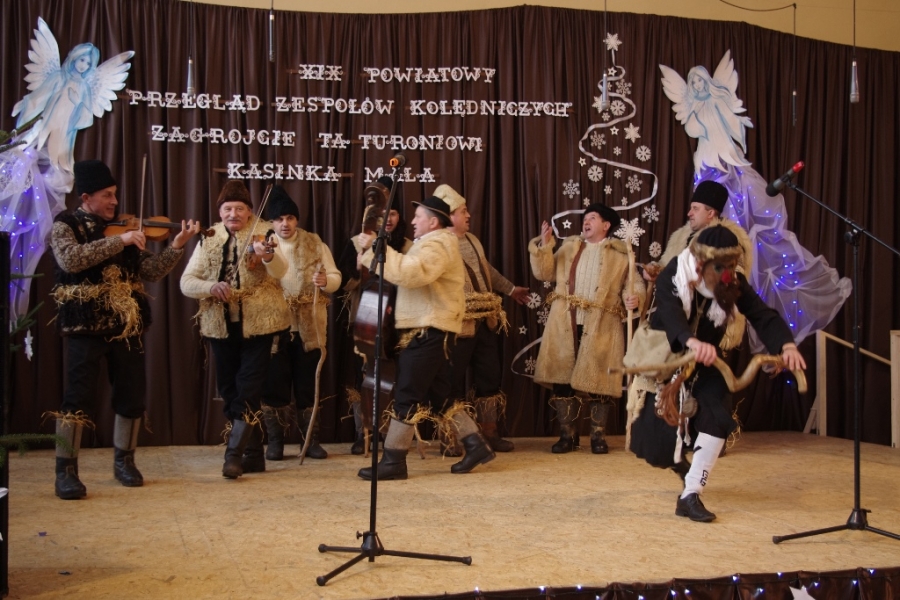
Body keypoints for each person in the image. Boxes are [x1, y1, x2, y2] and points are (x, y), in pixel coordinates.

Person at [629, 225, 805, 522]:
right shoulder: (676, 272)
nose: (726, 275)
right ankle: (680, 464)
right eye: (719, 267)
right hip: (666, 359)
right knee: (653, 446)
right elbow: (670, 312)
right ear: (700, 263)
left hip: (708, 362)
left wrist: (786, 345)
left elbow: (762, 315)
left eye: (730, 266)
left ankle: (690, 495)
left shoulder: (732, 283)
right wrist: (690, 341)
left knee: (718, 417)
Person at [49, 159, 200, 499]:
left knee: (132, 395)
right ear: (86, 197)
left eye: (115, 194)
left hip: (127, 325)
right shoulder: (66, 224)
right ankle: (66, 470)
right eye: (107, 195)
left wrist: (177, 245)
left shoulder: (124, 230)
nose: (114, 202)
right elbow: (71, 259)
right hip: (85, 324)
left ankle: (125, 461)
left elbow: (151, 271)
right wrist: (121, 241)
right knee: (77, 398)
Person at [354, 196, 494, 479]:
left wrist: (374, 251)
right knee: (440, 396)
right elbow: (407, 272)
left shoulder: (438, 244)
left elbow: (412, 273)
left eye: (418, 216)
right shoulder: (429, 244)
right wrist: (373, 253)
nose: (414, 221)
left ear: (433, 221)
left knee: (407, 394)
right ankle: (475, 444)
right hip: (429, 330)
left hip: (429, 330)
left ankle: (394, 460)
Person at [180, 180, 290, 479]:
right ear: (220, 212)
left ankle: (233, 456)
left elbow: (281, 270)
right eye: (228, 209)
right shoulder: (210, 237)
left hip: (259, 325)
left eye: (240, 209)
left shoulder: (265, 233)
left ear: (249, 211)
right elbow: (187, 281)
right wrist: (210, 287)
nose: (233, 214)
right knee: (230, 391)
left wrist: (266, 255)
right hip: (221, 326)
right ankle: (254, 455)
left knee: (248, 387)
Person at [528, 203, 644, 454]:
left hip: (602, 323)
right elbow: (545, 273)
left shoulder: (621, 255)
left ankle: (597, 436)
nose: (586, 221)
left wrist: (634, 298)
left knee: (599, 381)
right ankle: (567, 435)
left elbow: (633, 285)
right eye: (585, 218)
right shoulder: (569, 247)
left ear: (606, 225)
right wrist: (545, 246)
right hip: (565, 321)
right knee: (562, 378)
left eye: (593, 218)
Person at [433, 184, 529, 454]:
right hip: (456, 325)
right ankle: (451, 437)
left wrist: (510, 289)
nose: (468, 215)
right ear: (449, 215)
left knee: (489, 378)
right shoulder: (437, 245)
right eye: (463, 211)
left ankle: (489, 433)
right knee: (451, 382)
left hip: (485, 321)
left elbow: (485, 270)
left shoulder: (473, 240)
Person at [257, 185, 341, 463]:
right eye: (279, 219)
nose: (285, 224)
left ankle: (310, 441)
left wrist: (326, 281)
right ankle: (276, 443)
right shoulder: (262, 245)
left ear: (297, 220)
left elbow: (335, 277)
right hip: (274, 326)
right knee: (275, 387)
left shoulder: (315, 244)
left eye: (290, 218)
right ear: (271, 222)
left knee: (308, 386)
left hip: (309, 327)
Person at [337, 177, 412, 455]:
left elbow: (411, 280)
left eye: (392, 213)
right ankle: (364, 433)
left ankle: (391, 435)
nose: (387, 219)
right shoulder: (356, 242)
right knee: (366, 377)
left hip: (400, 322)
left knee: (396, 378)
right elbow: (344, 283)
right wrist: (359, 268)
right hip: (366, 319)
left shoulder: (408, 245)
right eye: (382, 214)